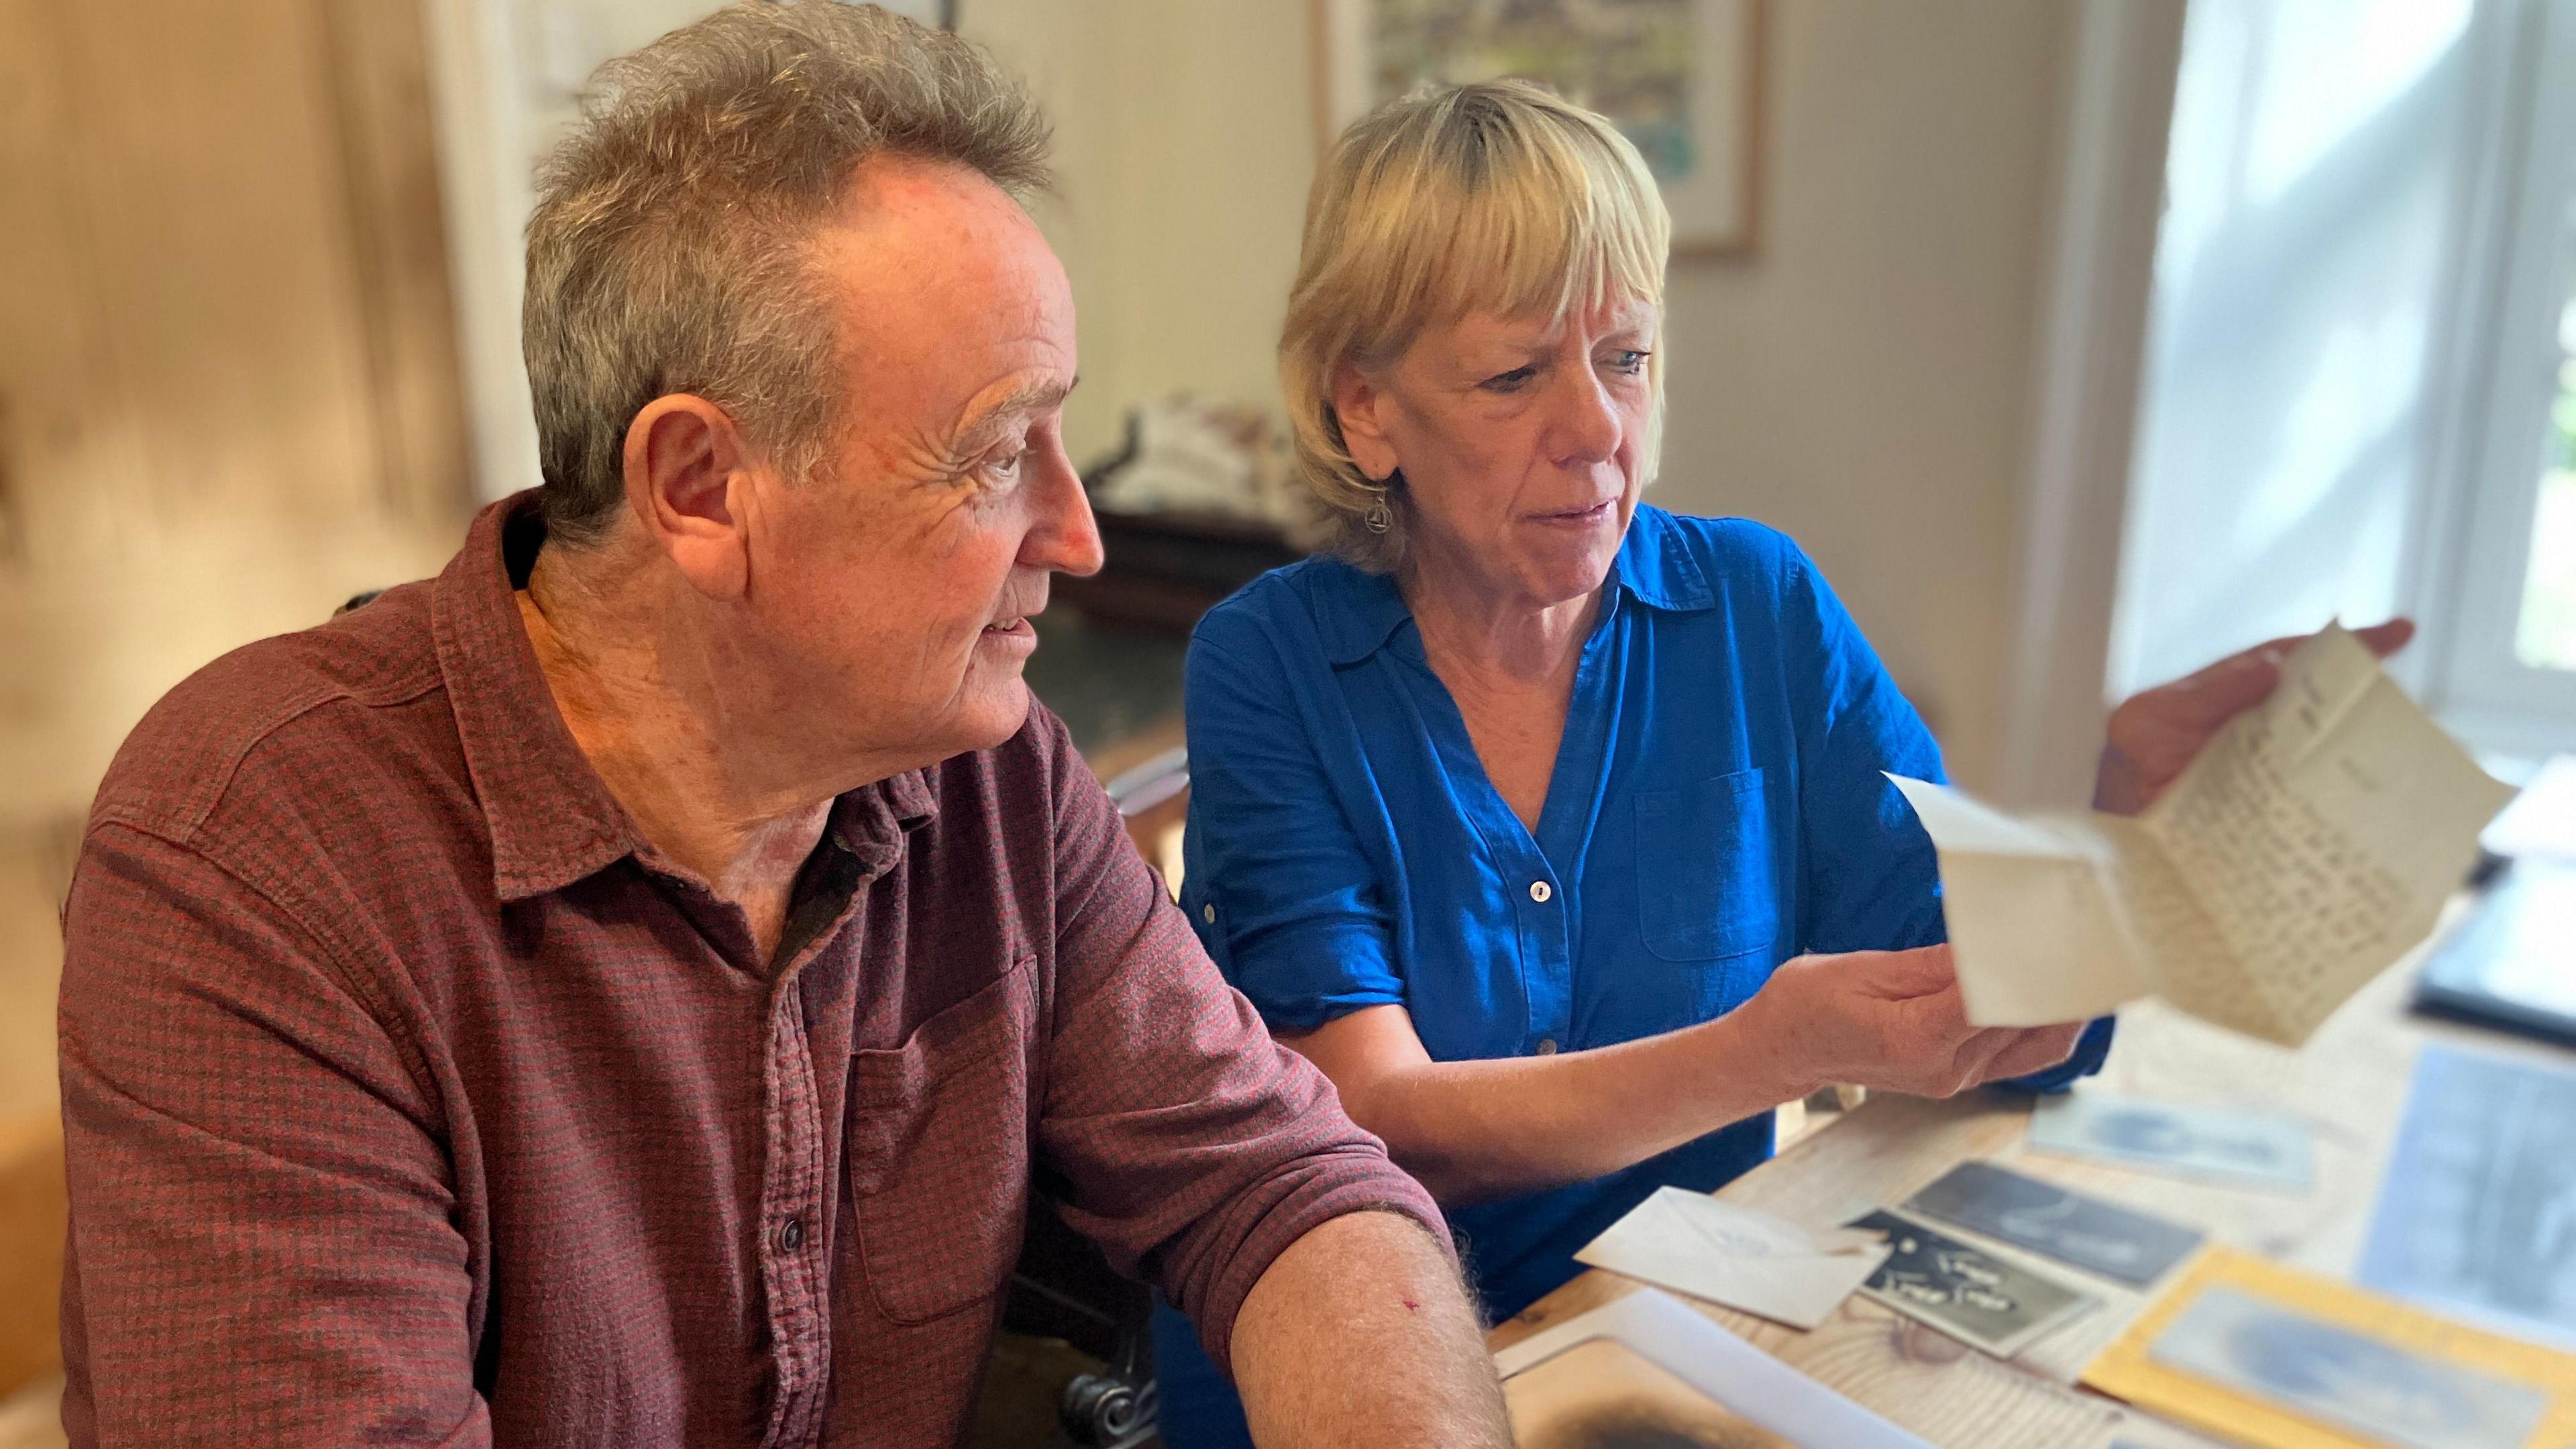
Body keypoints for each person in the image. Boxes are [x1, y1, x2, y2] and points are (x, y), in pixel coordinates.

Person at [52, 9, 1511, 1446]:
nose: (1077, 536)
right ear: (697, 485)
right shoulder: (256, 855)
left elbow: (1282, 1187)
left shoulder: (991, 775)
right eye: (1001, 453)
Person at [1146, 79, 2414, 1445]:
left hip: (1671, 1351)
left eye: (1626, 358)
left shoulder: (1759, 607)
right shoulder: (1266, 664)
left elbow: (1978, 1004)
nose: (1597, 432)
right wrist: (1767, 1051)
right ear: (1367, 411)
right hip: (1358, 1381)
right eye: (1516, 375)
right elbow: (1382, 1124)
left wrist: (2128, 845)